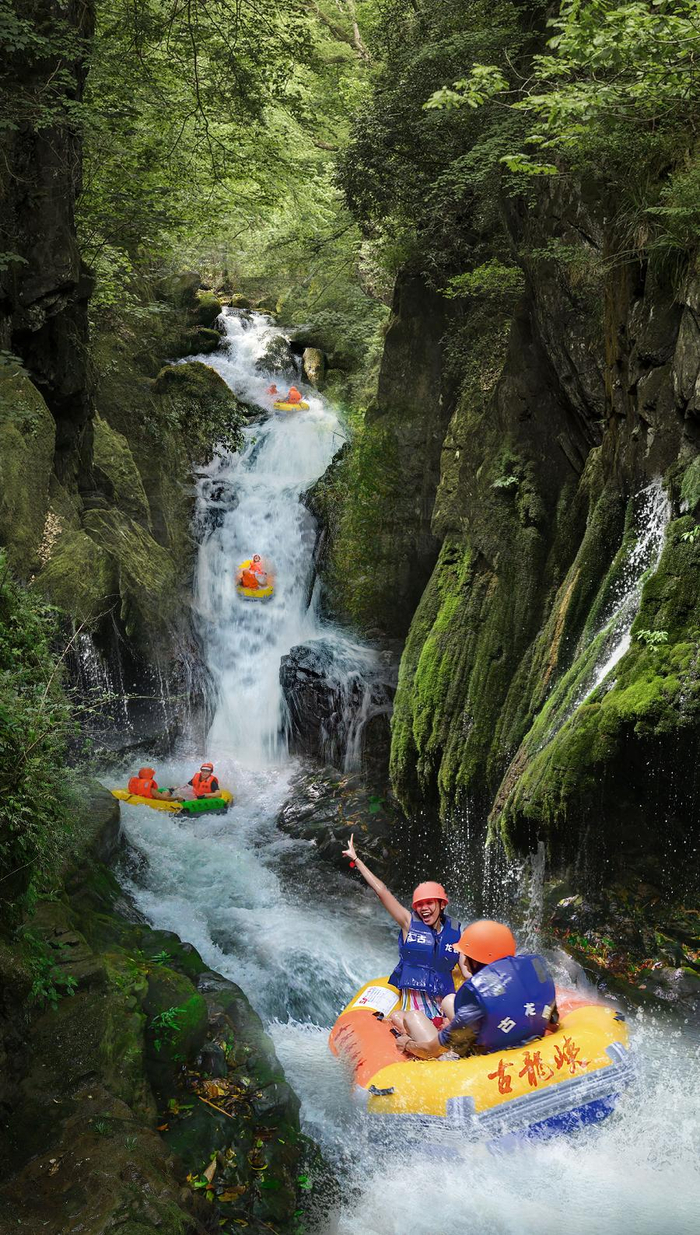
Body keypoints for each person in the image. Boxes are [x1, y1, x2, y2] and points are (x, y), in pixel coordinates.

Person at [341, 833, 465, 1027]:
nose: (424, 908)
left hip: (443, 1000)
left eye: (429, 903)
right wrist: (357, 861)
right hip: (417, 1005)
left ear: (441, 905)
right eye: (420, 905)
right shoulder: (408, 922)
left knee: (452, 1021)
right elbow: (382, 892)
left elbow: (466, 968)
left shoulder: (455, 932)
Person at [395, 919, 558, 1060]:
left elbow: (430, 1051)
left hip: (481, 1060)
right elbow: (552, 1024)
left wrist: (407, 1044)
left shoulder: (478, 1000)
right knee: (449, 1000)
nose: (464, 962)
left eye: (467, 957)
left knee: (412, 1017)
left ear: (479, 959)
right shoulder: (535, 971)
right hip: (517, 1038)